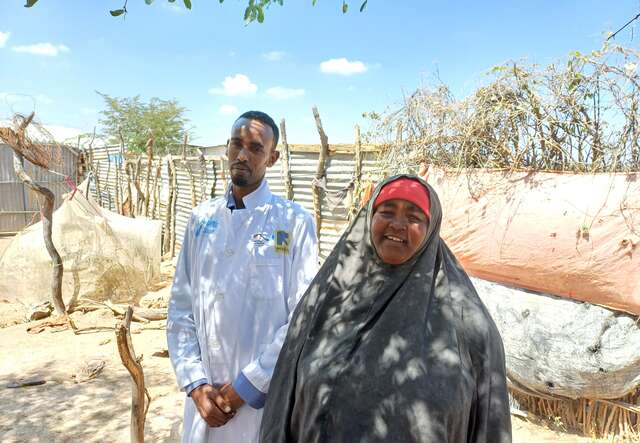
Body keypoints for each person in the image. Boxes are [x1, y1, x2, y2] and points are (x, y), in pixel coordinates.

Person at [260, 175, 512, 443]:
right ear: (369, 219)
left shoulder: (468, 326)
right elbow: (281, 400)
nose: (398, 224)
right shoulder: (325, 303)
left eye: (414, 217)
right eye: (387, 211)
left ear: (430, 230)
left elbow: (490, 426)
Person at [167, 111, 319, 443]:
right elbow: (181, 309)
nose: (242, 155)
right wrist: (195, 385)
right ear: (226, 148)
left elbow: (302, 319)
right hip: (204, 405)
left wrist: (245, 388)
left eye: (255, 147)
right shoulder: (200, 220)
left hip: (259, 407)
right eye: (237, 144)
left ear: (273, 157)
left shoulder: (293, 223)